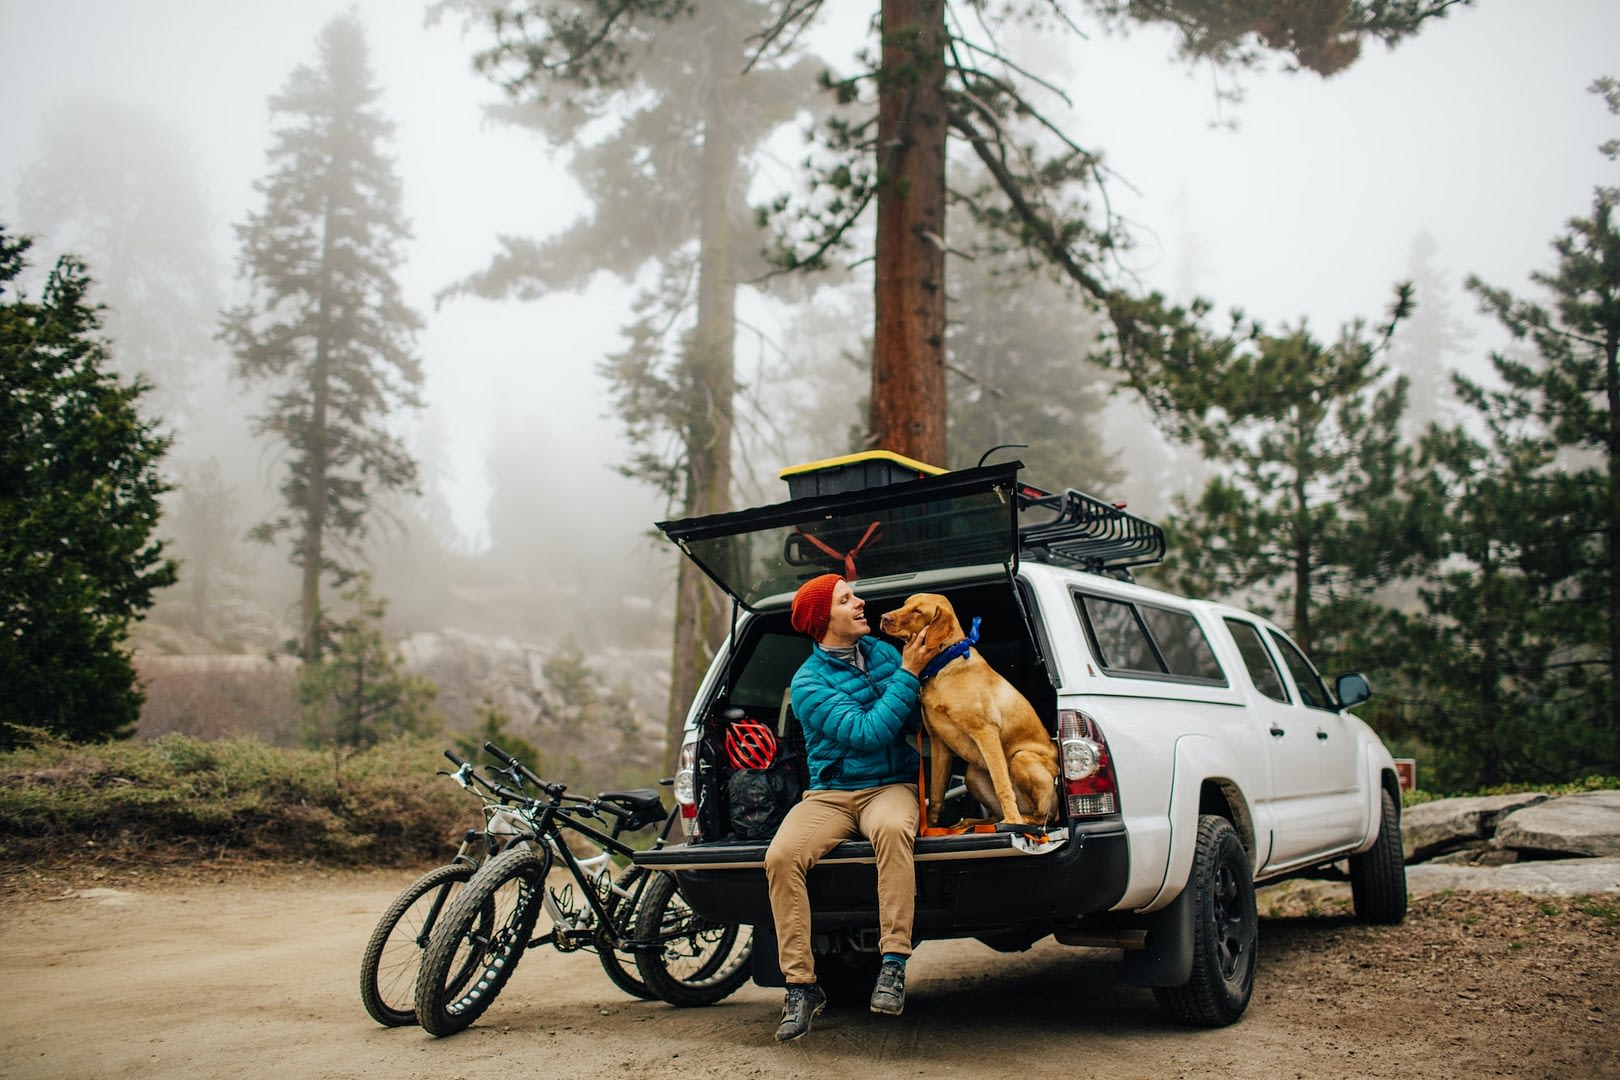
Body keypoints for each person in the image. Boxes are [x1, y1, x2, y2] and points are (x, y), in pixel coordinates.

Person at [764, 572, 931, 1042]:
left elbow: (915, 713)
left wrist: (914, 676)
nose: (861, 603)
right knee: (780, 857)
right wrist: (909, 675)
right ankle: (800, 986)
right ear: (824, 620)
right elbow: (867, 732)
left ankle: (893, 963)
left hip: (890, 786)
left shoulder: (882, 651)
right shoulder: (809, 683)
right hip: (832, 795)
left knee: (895, 830)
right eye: (846, 600)